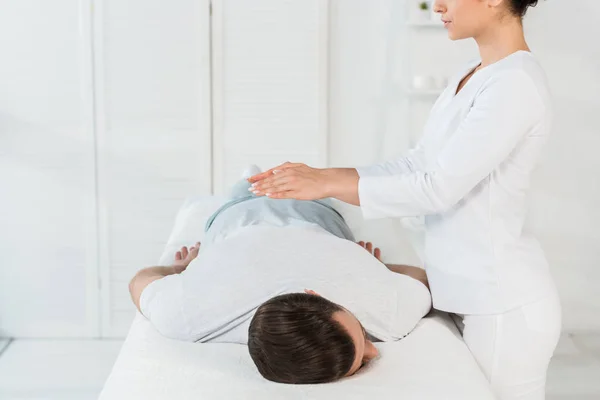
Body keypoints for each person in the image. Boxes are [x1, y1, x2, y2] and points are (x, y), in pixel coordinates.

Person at [247, 1, 560, 398]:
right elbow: (417, 162)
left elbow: (437, 187)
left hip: (501, 302)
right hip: (466, 292)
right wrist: (323, 175)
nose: (439, 6)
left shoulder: (515, 84)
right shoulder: (473, 75)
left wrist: (324, 186)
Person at [128, 165, 432, 384]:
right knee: (252, 183)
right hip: (310, 212)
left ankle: (259, 176)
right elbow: (419, 277)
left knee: (248, 184)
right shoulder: (387, 313)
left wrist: (179, 269)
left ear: (313, 294)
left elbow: (139, 280)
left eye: (362, 349)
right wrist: (376, 266)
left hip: (247, 212)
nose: (375, 351)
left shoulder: (187, 315)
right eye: (364, 339)